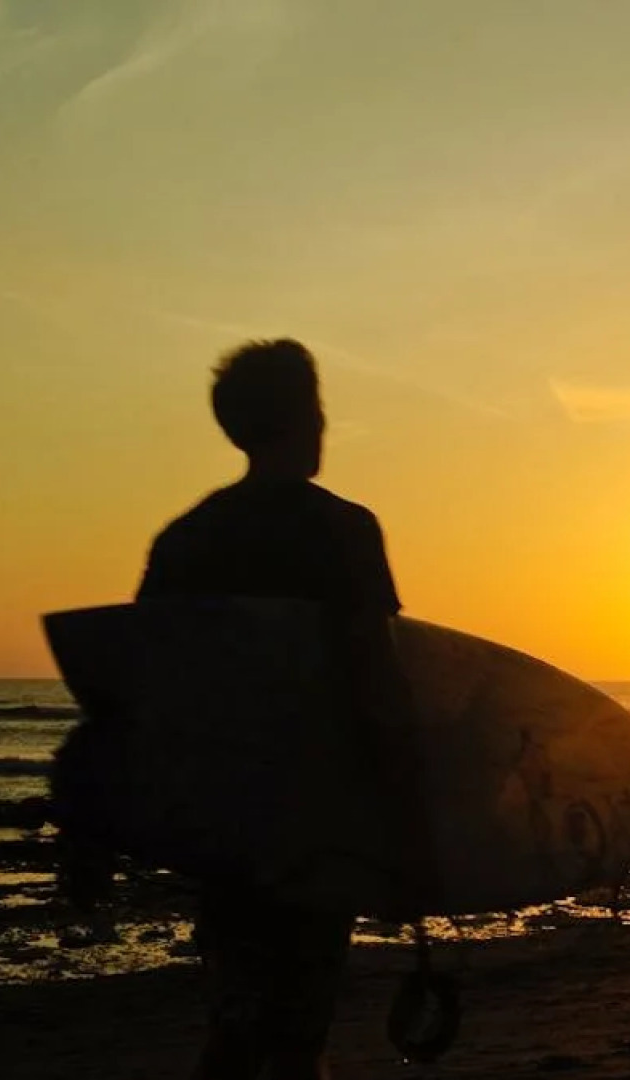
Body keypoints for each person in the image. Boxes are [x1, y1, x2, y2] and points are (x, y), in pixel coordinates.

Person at [137, 339, 409, 1079]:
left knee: (238, 1012)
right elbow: (375, 677)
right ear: (309, 417)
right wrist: (406, 821)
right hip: (315, 816)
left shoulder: (185, 540)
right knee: (296, 1027)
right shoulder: (343, 529)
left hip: (222, 821)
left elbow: (148, 687)